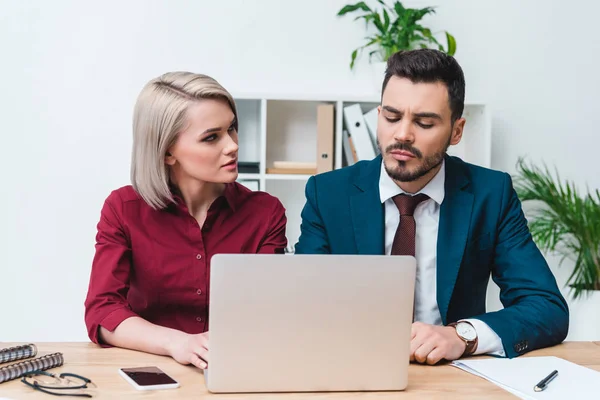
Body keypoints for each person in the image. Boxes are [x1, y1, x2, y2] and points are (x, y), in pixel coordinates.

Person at [295, 49, 568, 364]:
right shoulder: (328, 194)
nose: (402, 134)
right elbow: (304, 300)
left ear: (456, 130)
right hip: (351, 366)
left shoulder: (491, 194)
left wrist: (462, 335)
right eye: (391, 117)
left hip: (453, 376)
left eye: (424, 123)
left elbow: (546, 307)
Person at [84, 72, 287, 369]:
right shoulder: (123, 209)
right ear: (167, 151)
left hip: (238, 368)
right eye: (211, 137)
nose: (232, 145)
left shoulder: (266, 213)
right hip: (149, 371)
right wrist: (177, 343)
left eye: (232, 129)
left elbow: (271, 309)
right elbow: (102, 312)